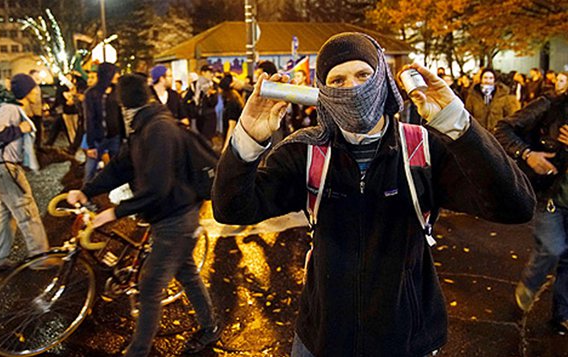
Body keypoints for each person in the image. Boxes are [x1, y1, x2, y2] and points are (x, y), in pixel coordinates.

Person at [212, 32, 535, 356]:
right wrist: (247, 138)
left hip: (406, 339)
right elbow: (233, 209)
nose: (352, 88)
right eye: (337, 81)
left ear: (381, 79)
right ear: (322, 92)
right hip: (321, 337)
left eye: (363, 75)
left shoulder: (421, 148)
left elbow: (516, 205)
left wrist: (457, 124)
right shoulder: (306, 150)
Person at [67, 74, 218, 356]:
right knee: (186, 273)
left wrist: (116, 211)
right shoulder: (144, 127)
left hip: (176, 218)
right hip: (170, 217)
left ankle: (138, 351)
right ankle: (210, 328)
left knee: (149, 287)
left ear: (126, 106)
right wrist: (86, 191)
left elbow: (158, 187)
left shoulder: (158, 130)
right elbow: (121, 167)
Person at [494, 79, 568, 336]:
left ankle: (562, 315)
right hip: (552, 196)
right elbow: (502, 129)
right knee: (552, 248)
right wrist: (528, 154)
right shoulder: (550, 106)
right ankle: (531, 282)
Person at [0, 74, 54, 271]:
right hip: (6, 168)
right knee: (27, 211)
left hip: (3, 168)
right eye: (34, 88)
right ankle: (40, 257)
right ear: (26, 91)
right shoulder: (10, 109)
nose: (37, 91)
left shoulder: (13, 108)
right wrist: (19, 129)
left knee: (7, 215)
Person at [83, 63, 124, 182]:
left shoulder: (117, 92)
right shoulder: (91, 93)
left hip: (115, 137)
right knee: (90, 170)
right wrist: (90, 145)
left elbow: (120, 115)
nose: (117, 76)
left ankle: (115, 196)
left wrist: (123, 137)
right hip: (97, 139)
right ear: (107, 74)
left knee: (117, 169)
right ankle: (85, 196)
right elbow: (89, 119)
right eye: (115, 73)